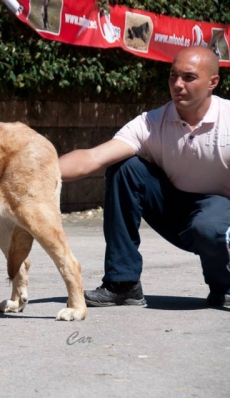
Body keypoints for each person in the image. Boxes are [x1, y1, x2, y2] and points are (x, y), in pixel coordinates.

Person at [59, 46, 230, 307]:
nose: (178, 85)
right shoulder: (151, 123)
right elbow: (93, 158)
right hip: (174, 208)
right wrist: (35, 174)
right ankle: (123, 283)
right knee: (124, 168)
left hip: (219, 215)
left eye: (189, 77)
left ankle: (224, 287)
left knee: (208, 226)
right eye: (173, 76)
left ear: (213, 82)